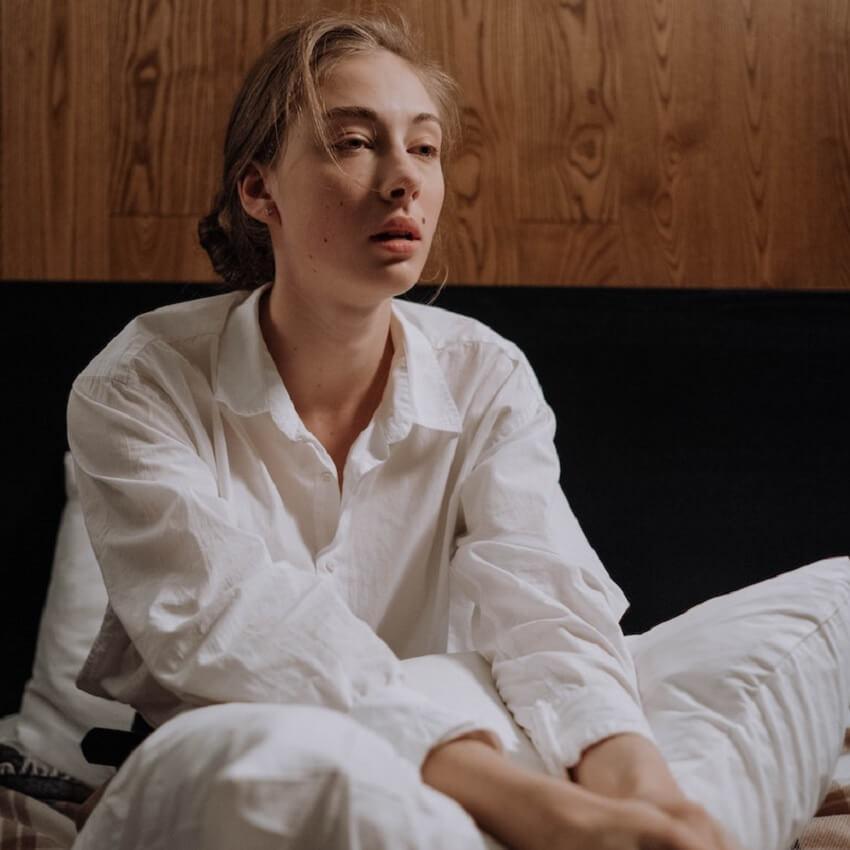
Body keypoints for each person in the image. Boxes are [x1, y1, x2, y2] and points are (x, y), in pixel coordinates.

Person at [68, 12, 741, 850]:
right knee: (276, 750)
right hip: (249, 757)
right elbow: (225, 622)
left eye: (423, 148)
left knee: (829, 599)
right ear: (258, 189)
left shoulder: (485, 375)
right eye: (353, 143)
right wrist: (540, 809)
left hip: (461, 740)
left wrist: (642, 795)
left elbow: (543, 603)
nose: (403, 180)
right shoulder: (137, 384)